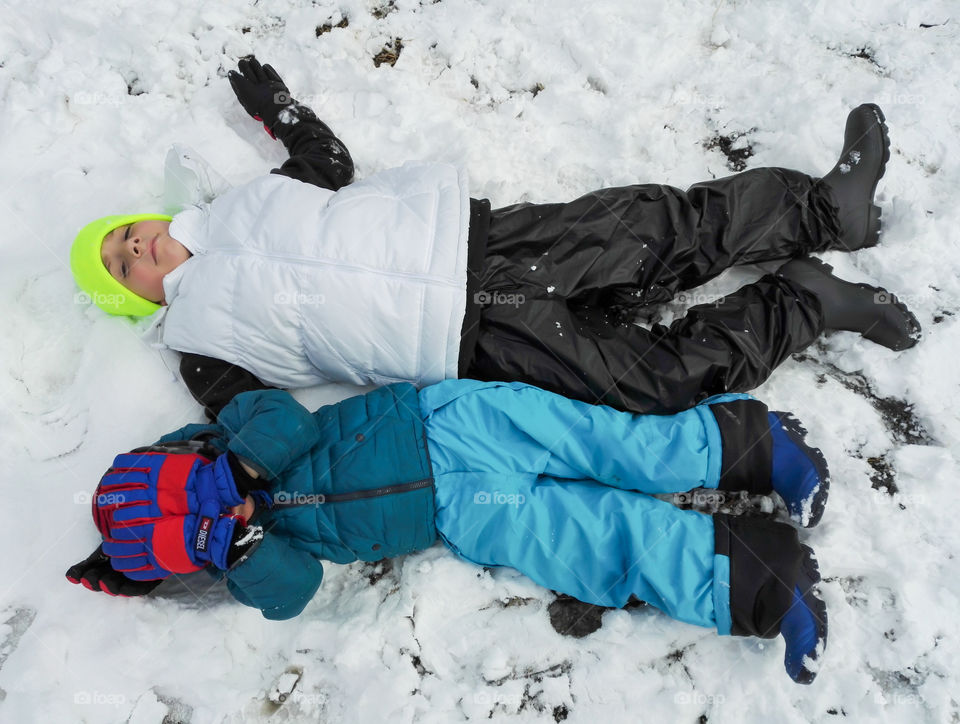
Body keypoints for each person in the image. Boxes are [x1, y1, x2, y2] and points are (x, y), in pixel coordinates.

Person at [70, 57, 920, 419]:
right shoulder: (199, 346)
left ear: (145, 221)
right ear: (132, 298)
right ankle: (799, 304)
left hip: (478, 248)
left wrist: (279, 111)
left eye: (124, 235)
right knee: (648, 385)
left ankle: (822, 212)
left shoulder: (245, 203)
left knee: (659, 230)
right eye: (118, 268)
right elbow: (254, 422)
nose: (132, 250)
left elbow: (327, 158)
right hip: (473, 340)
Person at [67, 379, 830, 684]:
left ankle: (766, 446)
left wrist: (238, 470)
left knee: (616, 446)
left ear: (180, 461)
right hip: (457, 513)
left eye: (203, 502)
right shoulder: (247, 557)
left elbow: (285, 420)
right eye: (205, 536)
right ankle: (766, 580)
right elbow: (292, 592)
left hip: (449, 423)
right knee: (599, 546)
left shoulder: (233, 429)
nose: (225, 518)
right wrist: (241, 549)